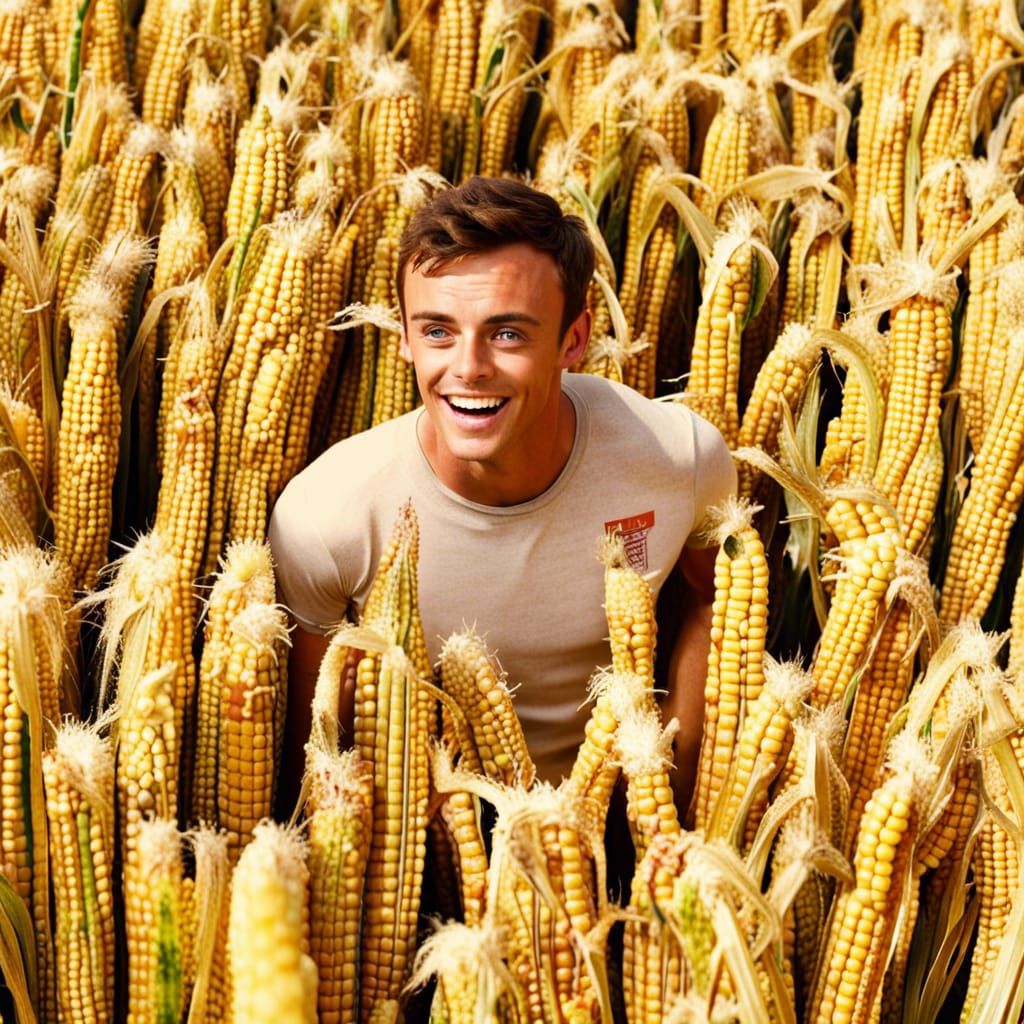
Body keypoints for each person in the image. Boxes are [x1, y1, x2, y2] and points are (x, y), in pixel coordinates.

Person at [268, 175, 736, 815]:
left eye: (507, 333)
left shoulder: (678, 459)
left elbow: (714, 605)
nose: (468, 367)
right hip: (425, 855)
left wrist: (669, 800)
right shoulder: (328, 518)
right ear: (403, 337)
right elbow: (317, 751)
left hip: (619, 828)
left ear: (573, 340)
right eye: (437, 331)